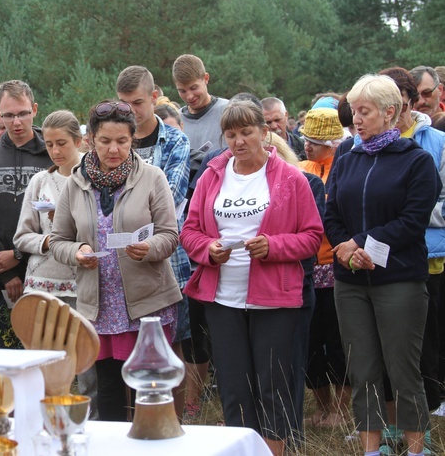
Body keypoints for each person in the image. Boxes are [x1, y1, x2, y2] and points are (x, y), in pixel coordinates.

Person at [180, 100, 323, 455]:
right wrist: (209, 248)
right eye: (231, 134)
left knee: (273, 382)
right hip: (222, 297)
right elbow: (190, 231)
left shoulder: (291, 178)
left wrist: (273, 246)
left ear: (264, 132)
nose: (239, 141)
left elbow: (311, 236)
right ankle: (243, 449)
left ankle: (275, 449)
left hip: (274, 297)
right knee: (233, 385)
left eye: (246, 132)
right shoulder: (212, 174)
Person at [324, 74, 440, 456]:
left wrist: (363, 243)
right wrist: (347, 249)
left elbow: (412, 220)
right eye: (353, 111)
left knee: (403, 372)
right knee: (363, 371)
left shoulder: (417, 161)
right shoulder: (346, 156)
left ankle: (417, 449)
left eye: (365, 111)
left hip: (399, 281)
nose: (355, 119)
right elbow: (332, 211)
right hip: (350, 281)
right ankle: (371, 451)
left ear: (390, 112)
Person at [50, 100, 182, 421]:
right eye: (105, 141)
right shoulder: (75, 183)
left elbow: (170, 235)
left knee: (148, 387)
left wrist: (148, 247)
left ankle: (150, 445)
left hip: (146, 303)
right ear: (90, 139)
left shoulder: (152, 178)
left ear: (132, 139)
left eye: (122, 141)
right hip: (100, 305)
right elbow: (57, 241)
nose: (114, 149)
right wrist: (77, 251)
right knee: (108, 386)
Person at [116, 65, 195, 419]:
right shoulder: (116, 139)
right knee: (126, 346)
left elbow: (173, 195)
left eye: (136, 103)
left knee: (168, 345)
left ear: (154, 97)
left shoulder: (174, 140)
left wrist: (125, 214)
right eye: (122, 103)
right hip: (118, 260)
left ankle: (170, 423)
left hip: (166, 259)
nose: (130, 111)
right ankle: (135, 424)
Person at [0, 80, 53, 349]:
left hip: (44, 269)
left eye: (22, 113)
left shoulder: (51, 156)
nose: (16, 121)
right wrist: (6, 272)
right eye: (8, 115)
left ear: (34, 110)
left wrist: (19, 256)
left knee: (41, 355)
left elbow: (61, 219)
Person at [297, 107, 351, 427]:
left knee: (338, 343)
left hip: (336, 268)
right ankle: (322, 407)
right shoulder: (301, 168)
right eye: (305, 139)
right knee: (311, 345)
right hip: (306, 270)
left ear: (332, 142)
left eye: (315, 141)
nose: (308, 146)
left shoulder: (344, 166)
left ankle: (342, 411)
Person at [13, 110, 81, 300]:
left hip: (84, 285)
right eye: (49, 145)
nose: (55, 151)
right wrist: (48, 241)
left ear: (78, 141)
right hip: (41, 283)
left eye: (61, 143)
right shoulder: (40, 181)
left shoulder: (93, 178)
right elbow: (21, 237)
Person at [172, 54, 229, 176]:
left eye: (194, 88)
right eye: (182, 91)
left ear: (206, 78)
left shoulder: (228, 111)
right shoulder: (175, 120)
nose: (189, 96)